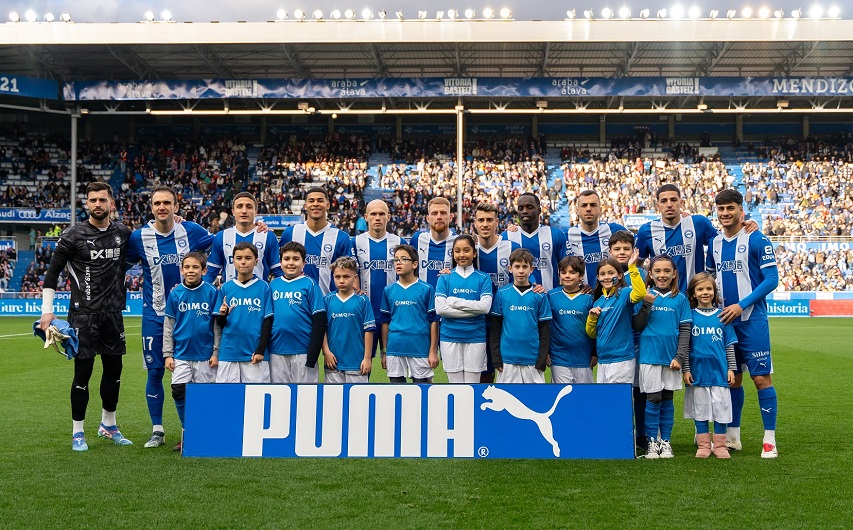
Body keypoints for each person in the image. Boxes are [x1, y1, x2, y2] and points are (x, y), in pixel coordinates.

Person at [39, 182, 133, 451]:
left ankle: (109, 425)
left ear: (111, 203)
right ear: (86, 204)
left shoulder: (123, 233)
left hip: (113, 315)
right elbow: (52, 273)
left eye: (102, 200)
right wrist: (47, 310)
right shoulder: (73, 236)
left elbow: (151, 239)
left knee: (114, 373)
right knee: (83, 373)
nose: (97, 205)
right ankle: (77, 432)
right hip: (83, 317)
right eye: (92, 200)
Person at [126, 185, 214, 449]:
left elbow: (221, 246)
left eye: (167, 202)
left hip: (191, 316)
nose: (162, 207)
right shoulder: (138, 237)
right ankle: (157, 430)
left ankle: (196, 429)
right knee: (155, 372)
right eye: (157, 203)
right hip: (154, 315)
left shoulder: (193, 231)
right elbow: (121, 262)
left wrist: (258, 229)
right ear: (151, 207)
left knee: (199, 372)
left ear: (177, 206)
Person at [705, 189, 780, 458]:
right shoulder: (713, 244)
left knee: (761, 379)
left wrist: (741, 305)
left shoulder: (757, 239)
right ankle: (732, 437)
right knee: (733, 380)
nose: (725, 213)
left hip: (752, 320)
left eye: (730, 208)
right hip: (725, 323)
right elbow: (709, 279)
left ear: (741, 210)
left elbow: (771, 280)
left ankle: (769, 440)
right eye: (721, 209)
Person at [631, 255, 691, 459]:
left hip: (671, 359)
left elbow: (685, 329)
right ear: (650, 274)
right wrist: (646, 304)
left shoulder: (680, 299)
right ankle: (651, 442)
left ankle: (665, 441)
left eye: (667, 271)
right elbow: (637, 325)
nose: (662, 275)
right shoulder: (643, 295)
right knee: (653, 397)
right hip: (649, 356)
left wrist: (680, 356)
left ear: (674, 274)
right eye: (657, 271)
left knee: (667, 398)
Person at [162, 252, 220, 453]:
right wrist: (168, 354)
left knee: (204, 396)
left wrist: (215, 352)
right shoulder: (175, 294)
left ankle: (206, 432)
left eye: (195, 267)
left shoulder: (212, 292)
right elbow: (169, 326)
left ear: (204, 270)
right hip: (181, 354)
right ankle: (188, 431)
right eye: (187, 267)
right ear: (181, 270)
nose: (190, 271)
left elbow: (216, 326)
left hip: (204, 355)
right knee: (178, 391)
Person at [683, 272, 738, 459]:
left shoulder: (722, 316)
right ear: (693, 293)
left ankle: (720, 446)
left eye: (709, 289)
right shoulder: (689, 317)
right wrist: (686, 369)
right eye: (700, 289)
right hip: (698, 373)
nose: (705, 292)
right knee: (701, 409)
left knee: (721, 409)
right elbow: (685, 346)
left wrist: (731, 368)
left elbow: (729, 345)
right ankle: (704, 446)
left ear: (715, 292)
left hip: (720, 372)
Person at [635, 184, 721, 293]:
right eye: (664, 201)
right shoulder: (646, 231)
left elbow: (724, 243)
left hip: (695, 298)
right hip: (663, 300)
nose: (669, 204)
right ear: (657, 205)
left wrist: (745, 226)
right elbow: (636, 265)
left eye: (674, 200)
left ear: (681, 203)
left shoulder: (698, 223)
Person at [435, 235, 493, 383]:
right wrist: (473, 310)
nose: (462, 255)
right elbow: (441, 310)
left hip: (476, 337)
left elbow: (485, 308)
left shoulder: (484, 278)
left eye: (466, 250)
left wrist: (454, 301)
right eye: (457, 251)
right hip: (449, 337)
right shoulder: (444, 278)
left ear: (474, 253)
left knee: (472, 385)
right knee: (455, 386)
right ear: (453, 254)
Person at [489, 248, 552, 383]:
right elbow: (495, 328)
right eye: (517, 266)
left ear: (532, 269)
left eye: (525, 266)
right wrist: (496, 357)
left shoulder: (539, 295)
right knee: (506, 400)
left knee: (534, 400)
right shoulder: (502, 293)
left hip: (532, 359)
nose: (521, 271)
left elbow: (544, 329)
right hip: (507, 359)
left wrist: (541, 358)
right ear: (510, 268)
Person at [473, 201, 519, 383]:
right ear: (475, 223)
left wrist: (535, 286)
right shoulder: (469, 250)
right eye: (481, 220)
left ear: (497, 222)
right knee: (480, 371)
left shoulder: (511, 247)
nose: (485, 224)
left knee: (506, 370)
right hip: (477, 321)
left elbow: (526, 276)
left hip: (506, 320)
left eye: (489, 220)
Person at [268, 242, 326, 384]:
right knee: (280, 395)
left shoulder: (310, 284)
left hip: (303, 351)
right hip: (276, 350)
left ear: (303, 263)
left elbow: (319, 321)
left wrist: (313, 355)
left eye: (296, 259)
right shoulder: (273, 285)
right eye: (286, 259)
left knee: (306, 396)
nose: (291, 263)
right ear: (280, 263)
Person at [215, 242, 273, 383]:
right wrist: (223, 315)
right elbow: (219, 324)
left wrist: (260, 350)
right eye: (239, 258)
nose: (243, 262)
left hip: (254, 353)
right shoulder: (226, 288)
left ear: (256, 261)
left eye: (248, 258)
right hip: (229, 352)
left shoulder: (264, 287)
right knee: (227, 397)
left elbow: (268, 320)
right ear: (233, 261)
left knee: (256, 399)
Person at [278, 187, 354, 295]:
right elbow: (279, 266)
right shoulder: (290, 233)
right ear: (305, 206)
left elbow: (348, 272)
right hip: (295, 304)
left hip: (328, 304)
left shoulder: (341, 237)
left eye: (320, 200)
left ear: (328, 205)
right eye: (311, 201)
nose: (315, 204)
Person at [380, 244, 439, 384]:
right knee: (397, 393)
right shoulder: (389, 290)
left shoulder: (426, 289)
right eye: (395, 260)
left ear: (415, 264)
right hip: (395, 348)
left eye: (403, 259)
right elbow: (385, 322)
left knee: (422, 393)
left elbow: (434, 322)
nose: (398, 262)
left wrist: (432, 351)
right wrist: (384, 352)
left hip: (419, 348)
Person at [353, 199, 404, 359]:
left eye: (382, 214)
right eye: (373, 214)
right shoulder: (355, 242)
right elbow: (352, 272)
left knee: (395, 366)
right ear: (366, 217)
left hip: (394, 314)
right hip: (365, 313)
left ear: (388, 217)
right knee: (362, 365)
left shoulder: (399, 242)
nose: (377, 218)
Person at [585, 251, 646, 384]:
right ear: (598, 278)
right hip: (603, 360)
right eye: (602, 274)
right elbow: (592, 334)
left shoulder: (624, 293)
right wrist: (592, 318)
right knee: (604, 401)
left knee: (619, 402)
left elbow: (640, 294)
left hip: (621, 359)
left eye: (611, 273)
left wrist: (632, 267)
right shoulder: (598, 302)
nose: (606, 277)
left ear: (619, 275)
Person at [205, 192, 281, 284]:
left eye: (249, 207)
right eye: (239, 206)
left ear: (256, 211)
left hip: (259, 296)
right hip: (229, 296)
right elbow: (211, 273)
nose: (244, 211)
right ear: (233, 212)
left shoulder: (268, 236)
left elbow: (278, 272)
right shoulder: (221, 237)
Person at [322, 257, 375, 383]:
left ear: (355, 278)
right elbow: (322, 329)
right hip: (333, 364)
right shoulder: (327, 300)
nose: (341, 281)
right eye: (337, 277)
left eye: (346, 276)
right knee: (334, 400)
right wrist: (326, 352)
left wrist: (367, 358)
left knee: (358, 401)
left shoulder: (362, 300)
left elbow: (369, 331)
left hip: (356, 364)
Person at [503, 192, 568, 291]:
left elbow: (567, 267)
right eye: (520, 208)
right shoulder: (507, 236)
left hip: (550, 299)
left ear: (539, 211)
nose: (524, 211)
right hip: (517, 302)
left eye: (529, 207)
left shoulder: (556, 235)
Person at [547, 256, 595, 384]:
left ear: (581, 276)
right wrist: (545, 351)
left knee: (583, 398)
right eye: (563, 272)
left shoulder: (589, 298)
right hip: (559, 357)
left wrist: (595, 353)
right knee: (564, 396)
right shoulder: (551, 296)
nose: (567, 276)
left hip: (583, 357)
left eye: (572, 272)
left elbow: (595, 327)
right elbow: (545, 326)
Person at [566, 190, 628, 287]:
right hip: (580, 296)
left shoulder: (615, 230)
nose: (588, 209)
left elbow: (635, 255)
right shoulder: (566, 235)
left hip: (612, 296)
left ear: (600, 209)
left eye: (593, 205)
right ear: (577, 210)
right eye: (584, 205)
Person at [409, 197, 456, 289]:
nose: (439, 217)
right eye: (434, 213)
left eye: (443, 213)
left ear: (450, 217)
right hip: (421, 300)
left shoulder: (458, 242)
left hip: (448, 301)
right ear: (428, 218)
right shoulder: (417, 239)